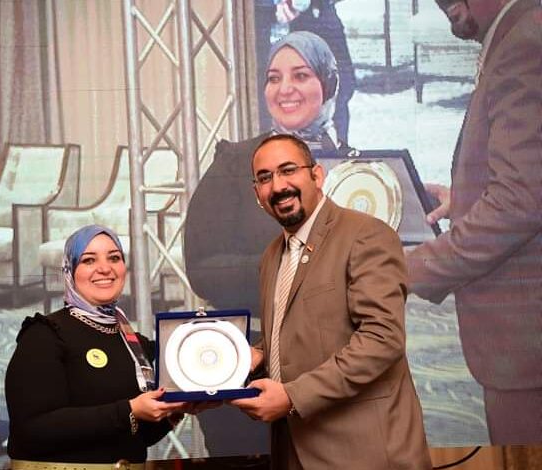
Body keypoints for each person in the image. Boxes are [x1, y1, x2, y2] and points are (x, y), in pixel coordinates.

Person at [183, 31, 346, 456]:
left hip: (339, 369)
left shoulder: (357, 167)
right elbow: (202, 267)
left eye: (301, 75)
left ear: (329, 83)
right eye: (274, 78)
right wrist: (296, 267)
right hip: (253, 368)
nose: (285, 88)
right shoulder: (236, 162)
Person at [230, 134, 431, 469]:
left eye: (288, 170)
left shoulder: (365, 235)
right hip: (293, 450)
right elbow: (302, 327)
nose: (278, 186)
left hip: (365, 456)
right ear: (257, 194)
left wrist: (292, 396)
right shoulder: (272, 256)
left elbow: (382, 340)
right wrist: (257, 354)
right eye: (265, 178)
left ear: (317, 175)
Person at [406, 0, 542, 445]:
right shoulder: (519, 34)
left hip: (527, 352)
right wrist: (464, 200)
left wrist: (408, 268)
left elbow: (519, 202)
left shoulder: (526, 41)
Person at [5, 225, 197, 467]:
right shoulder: (45, 335)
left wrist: (174, 411)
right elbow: (32, 431)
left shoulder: (133, 343)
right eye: (89, 260)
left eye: (114, 258)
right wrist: (129, 410)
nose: (105, 268)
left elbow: (134, 437)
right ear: (70, 270)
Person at [270, 0, 356, 142]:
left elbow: (346, 81)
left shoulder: (329, 21)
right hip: (302, 26)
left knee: (342, 91)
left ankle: (339, 144)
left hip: (327, 25)